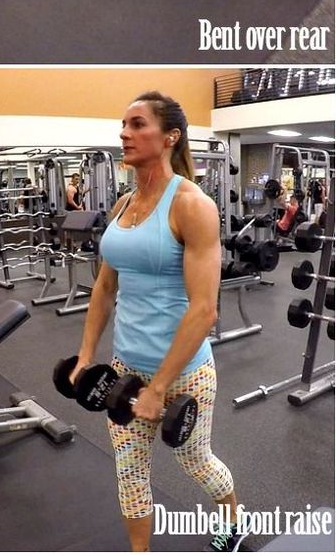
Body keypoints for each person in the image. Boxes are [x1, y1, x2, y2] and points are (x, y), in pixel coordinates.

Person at [66, 89, 242, 550]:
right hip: (125, 367)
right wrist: (87, 354)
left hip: (183, 373)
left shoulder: (192, 205)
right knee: (129, 472)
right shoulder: (124, 205)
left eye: (138, 124)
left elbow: (205, 309)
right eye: (123, 125)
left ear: (170, 137)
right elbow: (105, 287)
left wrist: (160, 388)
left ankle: (232, 520)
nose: (125, 133)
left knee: (195, 461)